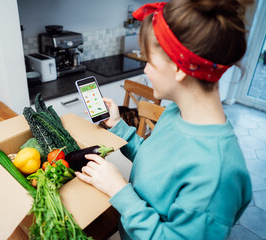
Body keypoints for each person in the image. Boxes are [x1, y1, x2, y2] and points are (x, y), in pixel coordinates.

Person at [75, 0, 253, 239]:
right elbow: (154, 166)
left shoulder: (217, 173)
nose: (145, 70)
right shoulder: (174, 113)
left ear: (180, 67)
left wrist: (120, 191)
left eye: (150, 61)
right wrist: (118, 126)